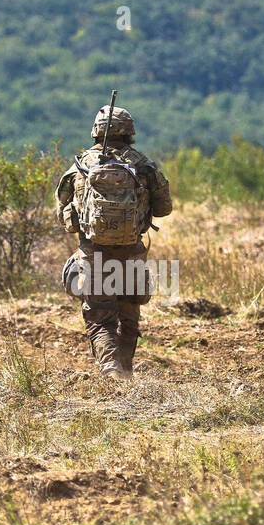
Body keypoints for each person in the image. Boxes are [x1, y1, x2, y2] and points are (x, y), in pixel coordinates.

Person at [56, 102, 171, 379]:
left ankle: (111, 370)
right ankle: (126, 371)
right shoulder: (143, 165)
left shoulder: (80, 165)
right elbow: (165, 208)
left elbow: (64, 215)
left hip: (93, 252)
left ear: (95, 131)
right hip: (132, 251)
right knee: (129, 313)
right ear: (130, 132)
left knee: (100, 318)